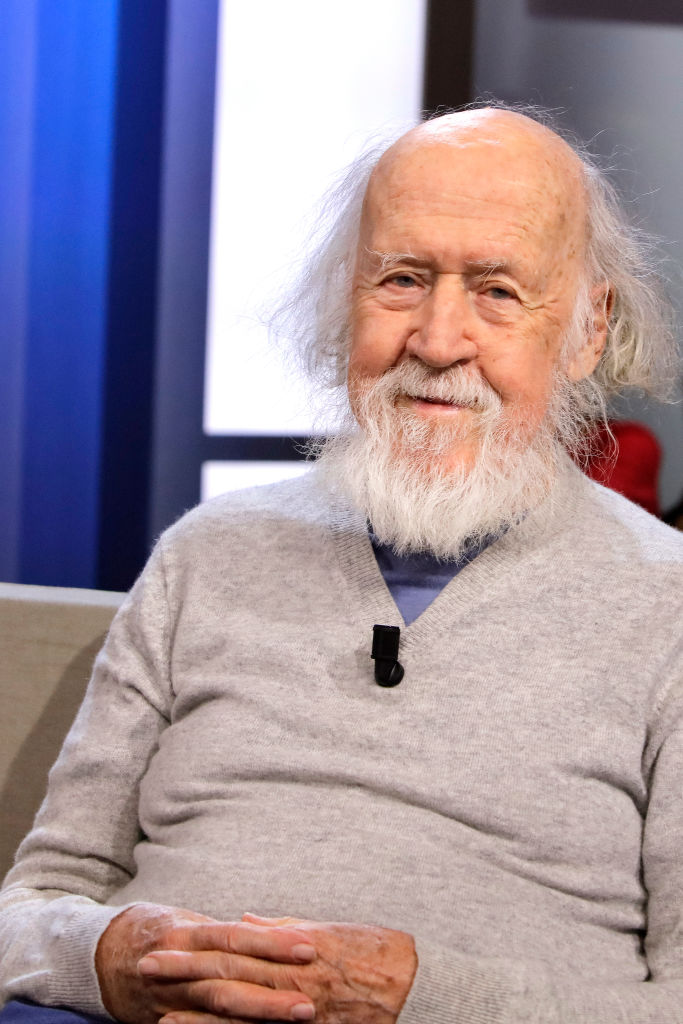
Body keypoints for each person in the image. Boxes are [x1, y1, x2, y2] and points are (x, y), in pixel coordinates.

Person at [1, 104, 683, 1024]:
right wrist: (113, 958)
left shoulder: (665, 603)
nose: (438, 342)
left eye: (497, 291)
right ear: (345, 304)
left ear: (588, 329)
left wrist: (425, 998)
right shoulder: (207, 555)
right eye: (400, 280)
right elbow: (33, 906)